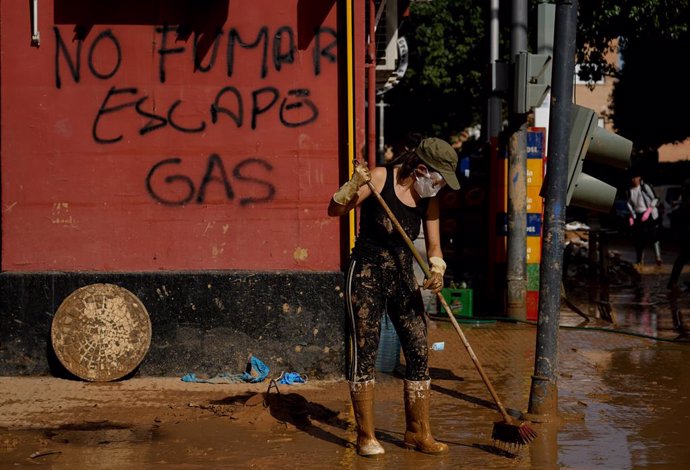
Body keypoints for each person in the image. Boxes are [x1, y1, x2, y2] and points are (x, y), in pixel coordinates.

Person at [327, 137, 460, 457]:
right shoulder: (380, 178)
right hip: (367, 276)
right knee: (365, 352)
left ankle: (417, 432)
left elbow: (434, 247)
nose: (439, 187)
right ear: (422, 169)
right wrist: (353, 185)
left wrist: (438, 270)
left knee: (418, 349)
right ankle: (366, 435)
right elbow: (335, 210)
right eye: (439, 180)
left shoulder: (429, 201)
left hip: (403, 278)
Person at [626, 172, 662, 268]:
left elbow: (655, 199)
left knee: (654, 235)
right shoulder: (630, 190)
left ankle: (658, 257)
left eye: (635, 177)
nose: (633, 180)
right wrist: (631, 216)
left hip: (648, 214)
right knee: (638, 239)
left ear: (639, 178)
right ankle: (639, 260)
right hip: (637, 215)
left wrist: (648, 211)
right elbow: (629, 203)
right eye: (632, 178)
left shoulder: (645, 187)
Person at [668, 179, 690, 291]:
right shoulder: (685, 205)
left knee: (682, 258)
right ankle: (672, 283)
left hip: (684, 234)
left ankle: (672, 282)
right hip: (686, 234)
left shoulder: (683, 204)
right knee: (683, 258)